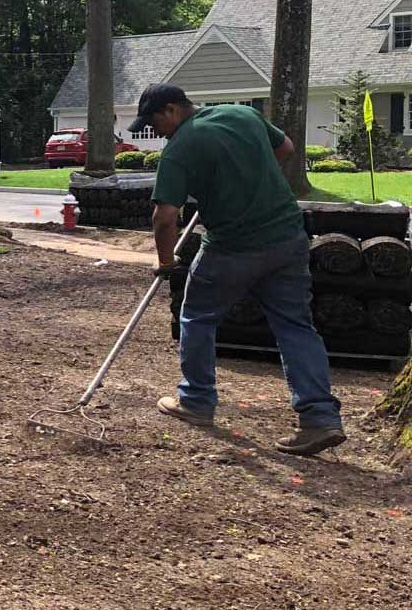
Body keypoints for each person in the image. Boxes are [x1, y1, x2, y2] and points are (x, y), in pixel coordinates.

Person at [134, 83, 346, 456]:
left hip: (231, 249)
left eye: (154, 123)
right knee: (295, 326)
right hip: (287, 239)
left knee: (197, 317)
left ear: (171, 110)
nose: (156, 132)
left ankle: (196, 401)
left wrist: (166, 262)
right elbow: (286, 149)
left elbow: (164, 217)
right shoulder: (242, 113)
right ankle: (320, 418)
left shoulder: (179, 150)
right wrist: (246, 176)